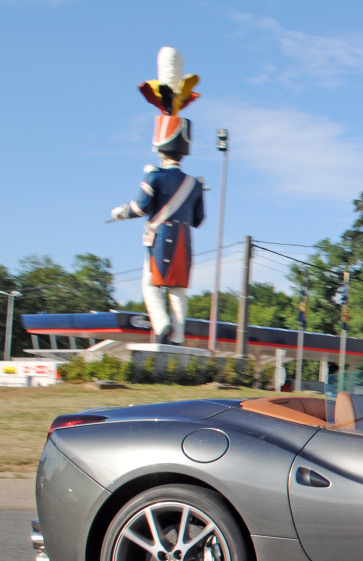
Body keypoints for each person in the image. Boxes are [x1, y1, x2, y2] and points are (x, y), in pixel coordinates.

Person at [109, 48, 204, 346]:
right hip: (186, 240)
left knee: (150, 285)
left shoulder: (155, 175)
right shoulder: (195, 182)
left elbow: (142, 206)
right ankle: (176, 335)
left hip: (161, 236)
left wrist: (119, 212)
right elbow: (199, 219)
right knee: (178, 291)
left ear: (160, 147)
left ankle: (161, 323)